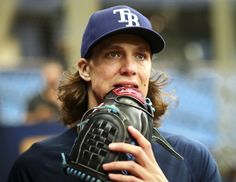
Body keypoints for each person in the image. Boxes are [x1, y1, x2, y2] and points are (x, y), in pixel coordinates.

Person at [7, 5, 221, 182]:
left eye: (141, 56)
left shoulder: (193, 159)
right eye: (114, 54)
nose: (130, 67)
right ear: (85, 69)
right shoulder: (36, 164)